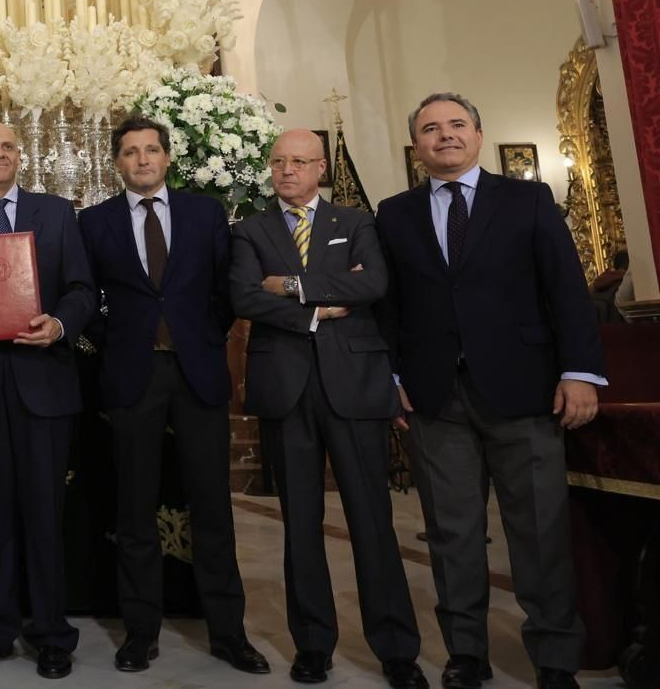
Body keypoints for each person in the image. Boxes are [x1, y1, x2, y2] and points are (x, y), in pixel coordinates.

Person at [376, 93, 606, 689]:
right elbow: (390, 307)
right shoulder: (394, 213)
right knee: (452, 534)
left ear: (478, 135)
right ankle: (467, 654)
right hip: (434, 397)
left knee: (539, 530)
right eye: (430, 128)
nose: (444, 135)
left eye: (456, 125)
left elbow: (567, 291)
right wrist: (394, 378)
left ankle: (555, 657)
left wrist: (580, 372)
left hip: (525, 391)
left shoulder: (527, 199)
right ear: (417, 145)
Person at [230, 129, 424, 687]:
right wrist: (317, 308)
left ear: (321, 168)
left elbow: (375, 284)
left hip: (355, 384)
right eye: (278, 161)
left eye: (299, 161)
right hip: (285, 389)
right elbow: (245, 296)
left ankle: (396, 650)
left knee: (372, 521)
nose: (286, 170)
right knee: (300, 524)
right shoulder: (249, 230)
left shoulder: (356, 222)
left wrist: (289, 284)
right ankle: (313, 644)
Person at [77, 116, 268, 676]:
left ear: (167, 158)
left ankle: (229, 633)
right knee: (134, 508)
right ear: (117, 163)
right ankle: (141, 632)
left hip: (198, 372)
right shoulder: (94, 222)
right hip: (132, 375)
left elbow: (223, 290)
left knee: (212, 506)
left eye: (152, 150)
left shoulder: (204, 214)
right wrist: (116, 344)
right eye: (131, 152)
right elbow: (85, 297)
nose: (142, 160)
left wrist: (203, 338)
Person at [0, 121, 95, 680]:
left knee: (44, 514)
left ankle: (52, 633)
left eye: (7, 146)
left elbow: (82, 288)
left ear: (19, 155)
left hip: (44, 386)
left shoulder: (55, 213)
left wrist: (58, 323)